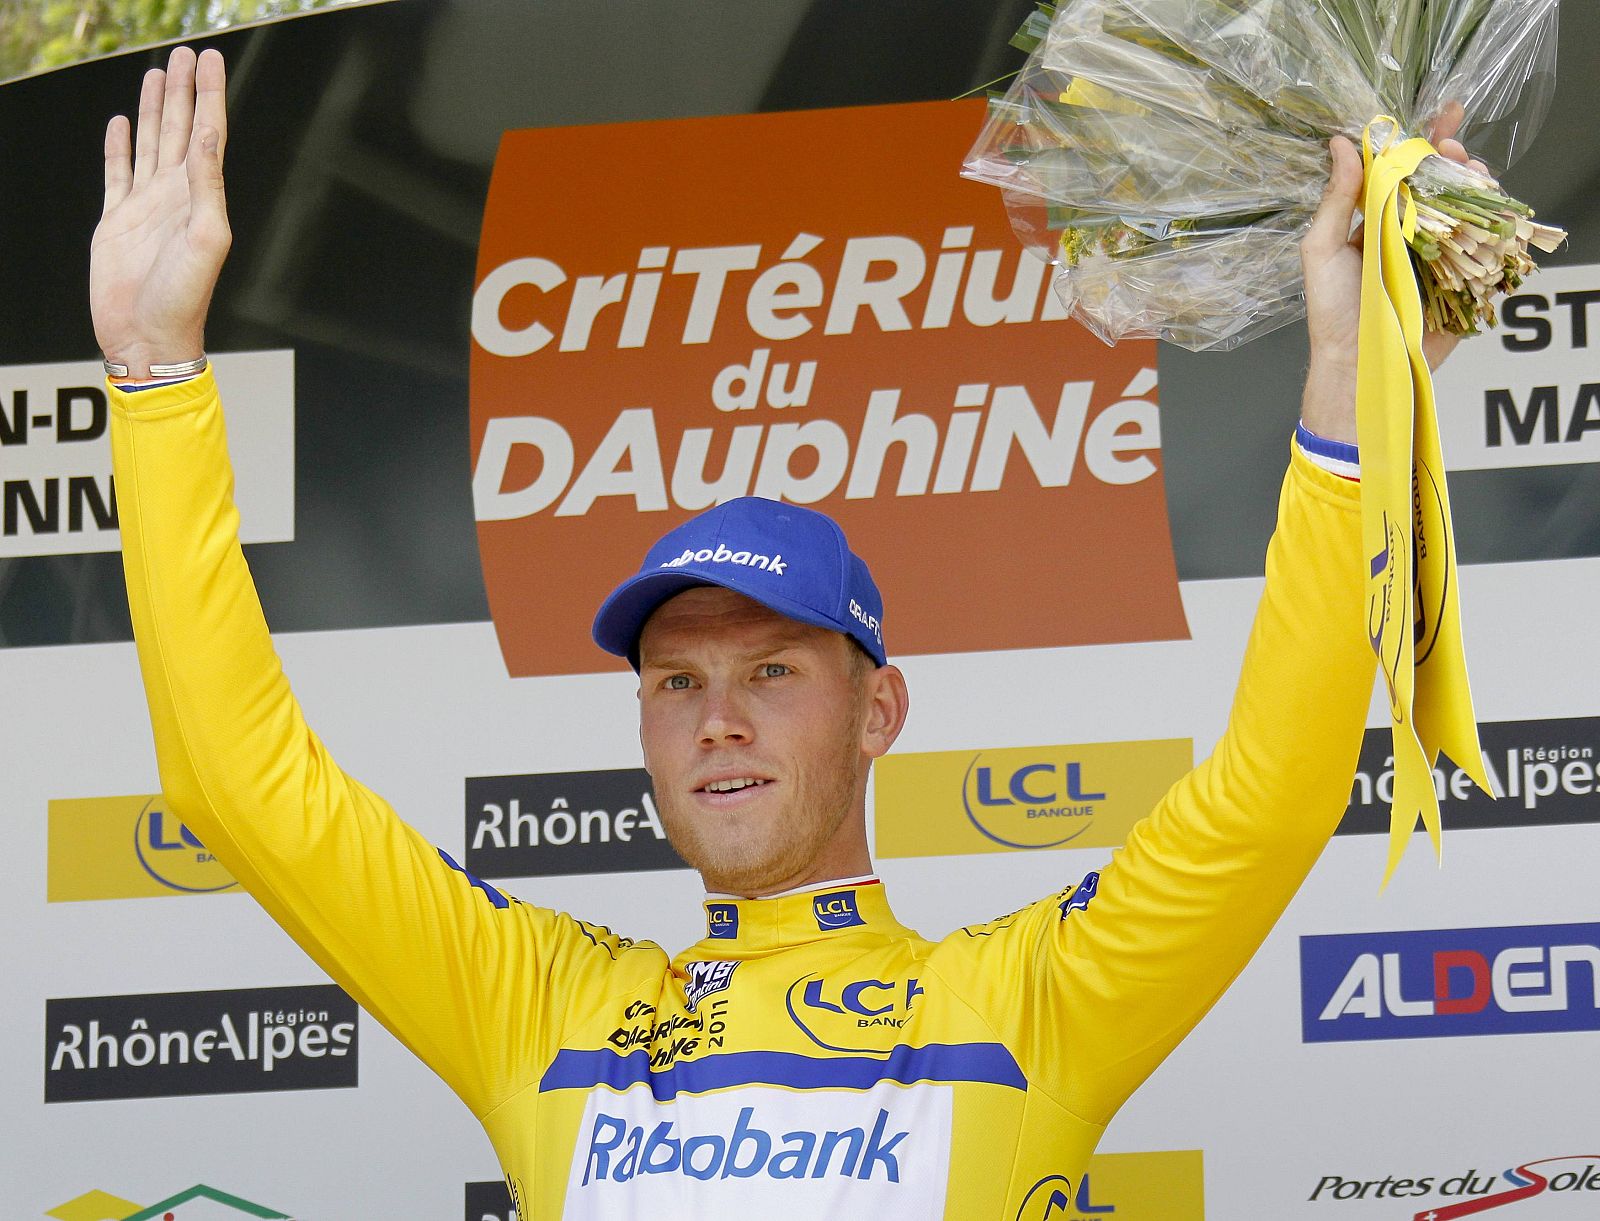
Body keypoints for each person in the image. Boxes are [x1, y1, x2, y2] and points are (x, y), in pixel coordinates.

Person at [94, 45, 1487, 1220]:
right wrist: (155, 380)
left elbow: (1272, 793)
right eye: (679, 679)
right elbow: (239, 787)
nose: (720, 717)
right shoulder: (541, 1009)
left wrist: (1350, 397)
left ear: (879, 710)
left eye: (773, 669)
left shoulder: (1017, 1005)